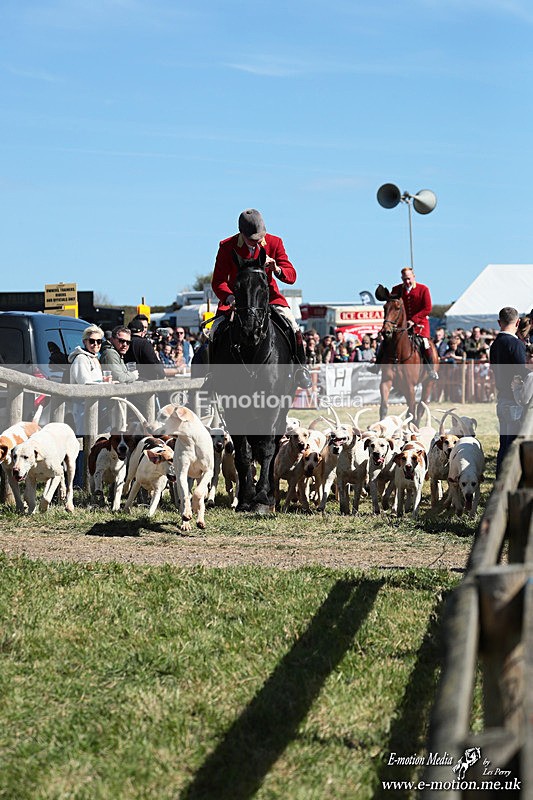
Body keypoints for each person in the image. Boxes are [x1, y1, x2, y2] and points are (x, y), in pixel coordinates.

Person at [210, 208, 310, 387]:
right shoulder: (226, 246)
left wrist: (276, 269)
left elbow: (292, 275)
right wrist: (230, 298)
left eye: (259, 237)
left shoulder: (274, 242)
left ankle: (301, 370)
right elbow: (218, 281)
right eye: (252, 239)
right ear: (241, 233)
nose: (257, 242)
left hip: (269, 298)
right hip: (238, 301)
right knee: (214, 331)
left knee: (293, 326)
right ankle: (211, 376)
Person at [370, 267, 438, 379]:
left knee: (425, 344)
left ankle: (430, 370)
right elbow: (392, 306)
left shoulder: (423, 289)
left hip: (420, 324)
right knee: (386, 340)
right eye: (404, 279)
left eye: (409, 278)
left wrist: (414, 320)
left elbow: (427, 308)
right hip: (401, 325)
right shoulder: (396, 289)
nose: (407, 281)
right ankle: (377, 365)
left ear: (413, 277)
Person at [489, 306, 527, 476]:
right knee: (512, 445)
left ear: (499, 322)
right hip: (515, 400)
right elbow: (523, 371)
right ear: (518, 322)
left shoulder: (494, 344)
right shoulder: (516, 344)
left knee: (504, 444)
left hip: (502, 398)